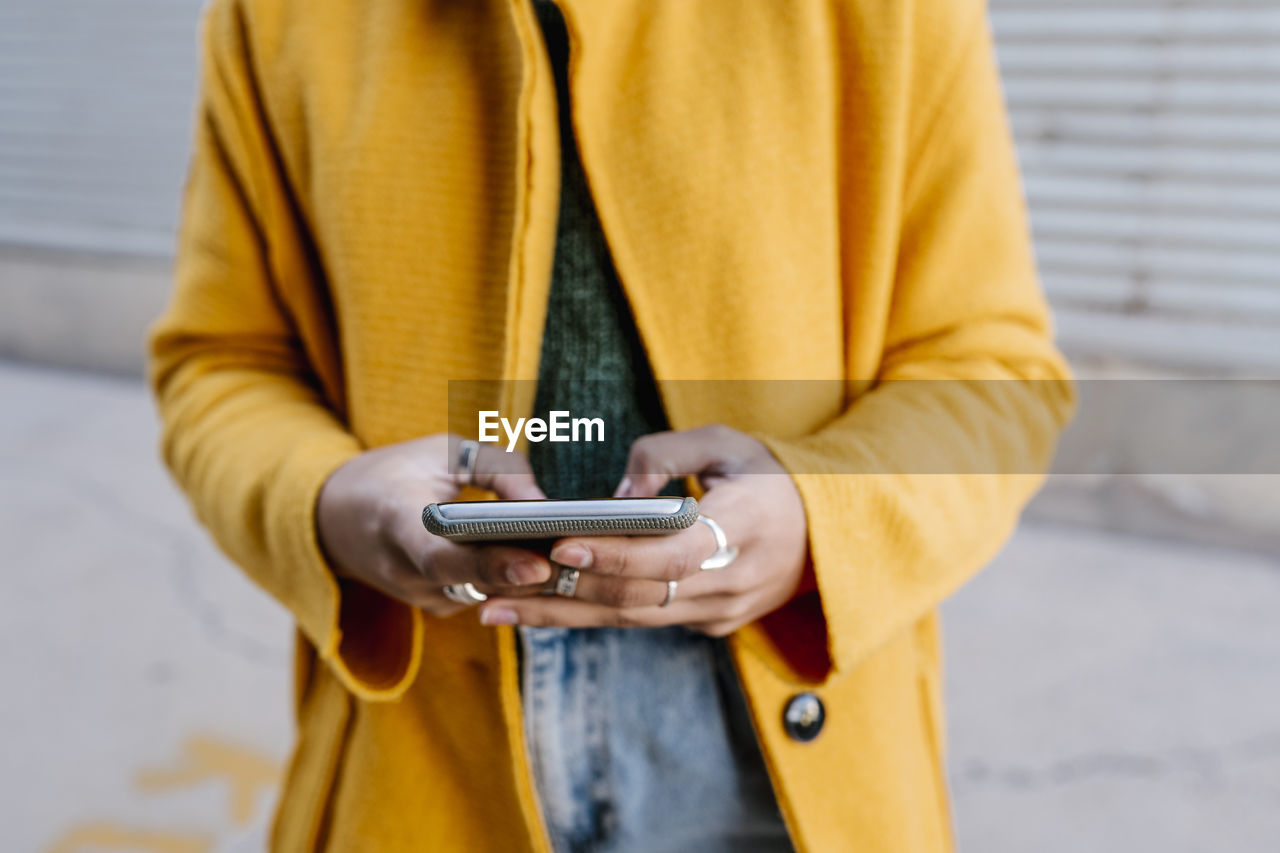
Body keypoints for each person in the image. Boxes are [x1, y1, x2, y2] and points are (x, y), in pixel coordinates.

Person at [148, 0, 1074, 850]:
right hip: (424, 743)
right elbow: (223, 361)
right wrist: (327, 502)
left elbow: (995, 371)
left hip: (778, 736)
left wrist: (820, 522)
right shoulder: (278, 19)